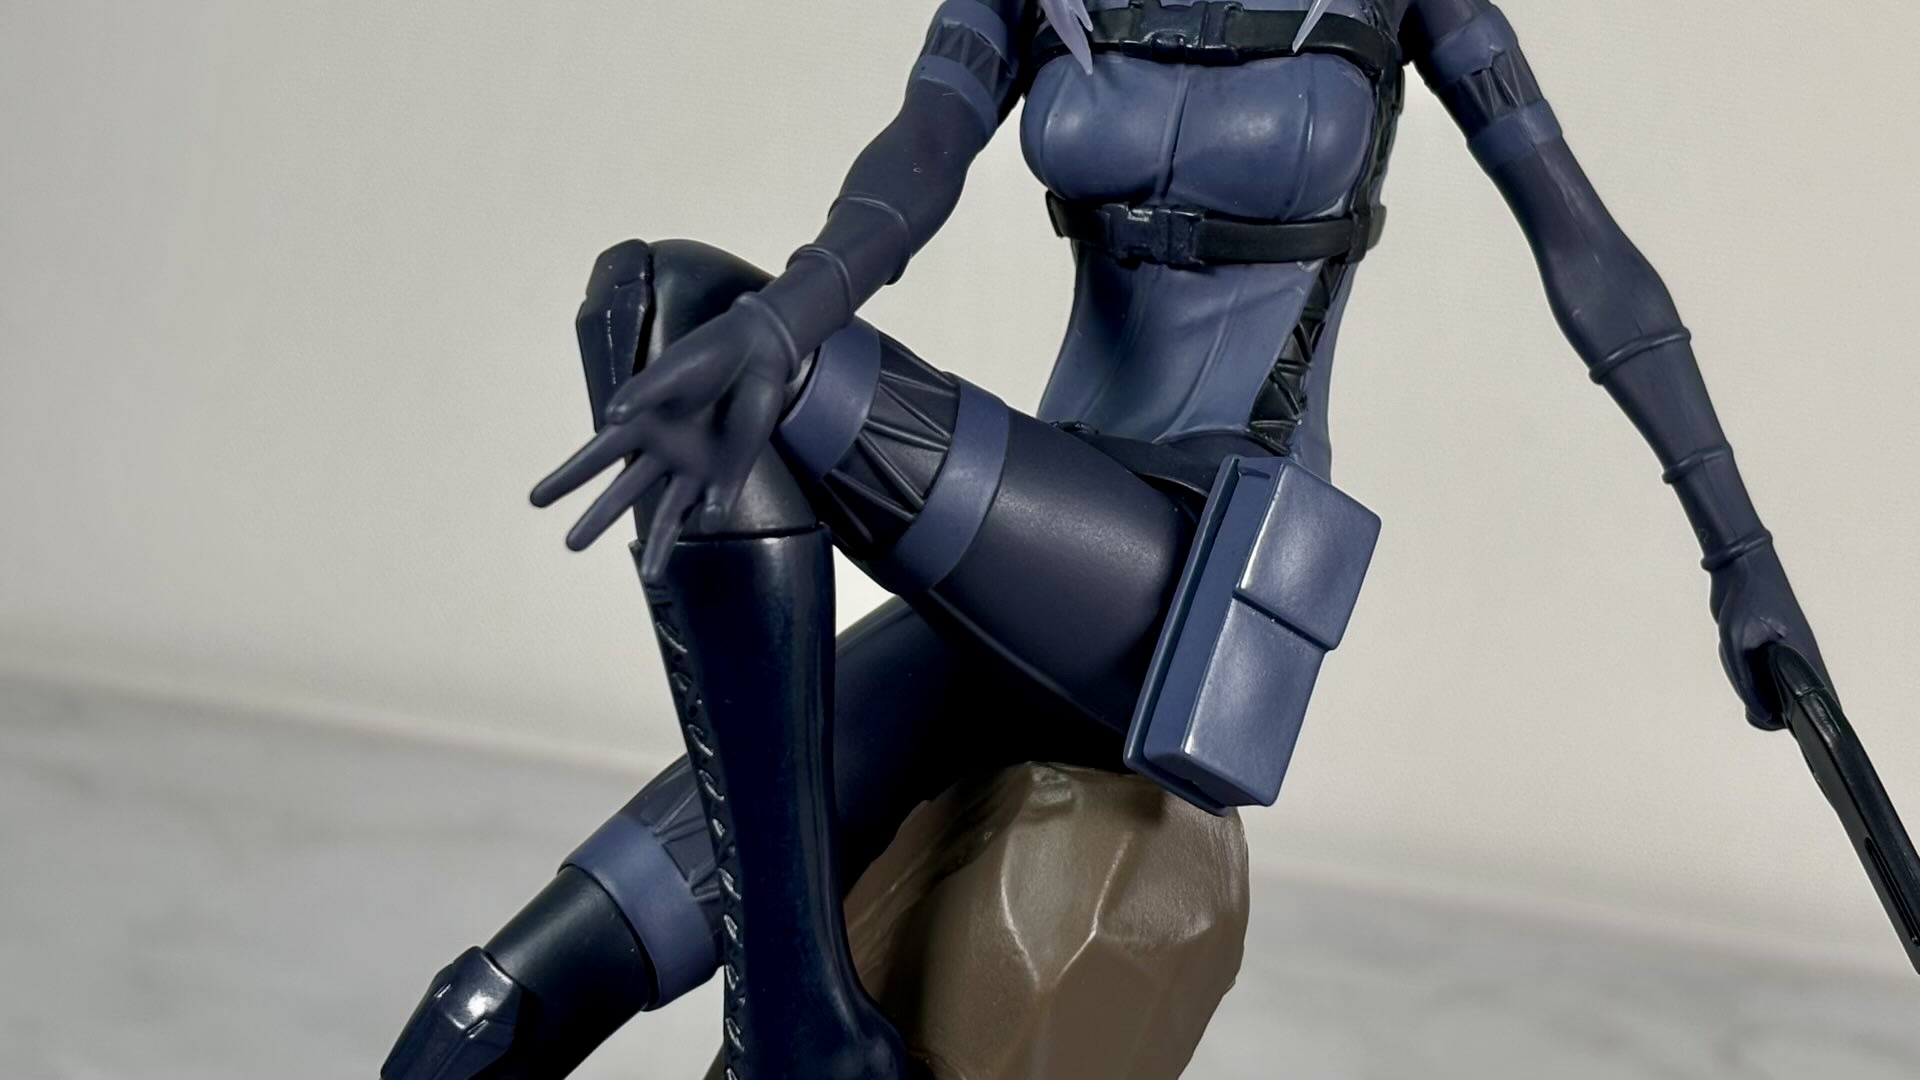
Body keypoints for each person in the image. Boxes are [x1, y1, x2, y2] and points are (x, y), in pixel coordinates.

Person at [383, 3, 1829, 1077]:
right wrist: (798, 307)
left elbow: (1588, 252)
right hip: (1015, 561)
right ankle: (801, 1026)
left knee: (692, 302)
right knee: (487, 1014)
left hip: (1191, 576)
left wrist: (1741, 556)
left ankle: (793, 1032)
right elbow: (913, 163)